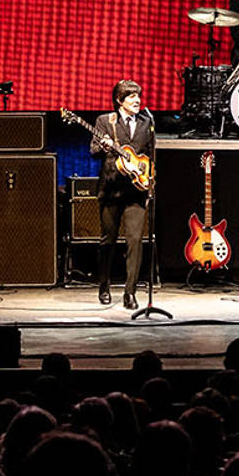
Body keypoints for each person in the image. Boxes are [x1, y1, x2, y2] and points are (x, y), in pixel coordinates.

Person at [93, 80, 155, 310]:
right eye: (131, 97)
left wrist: (147, 176)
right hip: (111, 190)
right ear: (119, 100)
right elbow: (93, 150)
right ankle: (104, 285)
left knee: (135, 241)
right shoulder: (104, 121)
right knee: (108, 241)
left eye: (138, 96)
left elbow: (150, 156)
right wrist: (104, 147)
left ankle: (130, 291)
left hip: (136, 191)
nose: (137, 100)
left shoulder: (146, 123)